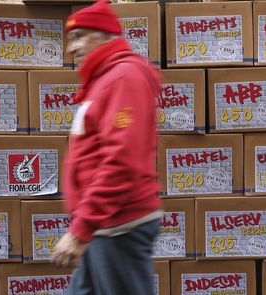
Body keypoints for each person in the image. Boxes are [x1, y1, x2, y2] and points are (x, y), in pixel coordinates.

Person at [51, 1, 162, 294]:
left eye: (79, 36)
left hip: (119, 227)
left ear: (106, 35)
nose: (71, 49)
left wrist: (81, 229)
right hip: (102, 226)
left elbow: (121, 162)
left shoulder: (123, 78)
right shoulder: (105, 80)